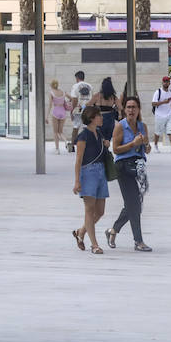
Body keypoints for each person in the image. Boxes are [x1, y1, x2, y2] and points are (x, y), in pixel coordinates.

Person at [106, 96, 152, 252]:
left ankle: (113, 230)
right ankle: (138, 241)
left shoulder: (142, 126)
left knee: (134, 205)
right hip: (123, 167)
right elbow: (115, 149)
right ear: (124, 110)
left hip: (138, 167)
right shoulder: (120, 126)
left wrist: (145, 146)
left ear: (138, 109)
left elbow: (147, 147)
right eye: (128, 107)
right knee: (134, 205)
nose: (131, 110)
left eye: (134, 107)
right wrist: (133, 144)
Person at [71, 105, 108, 254]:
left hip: (101, 172)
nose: (101, 117)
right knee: (89, 209)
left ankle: (81, 232)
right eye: (99, 115)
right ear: (92, 118)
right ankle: (94, 245)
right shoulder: (83, 136)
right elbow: (78, 160)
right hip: (88, 173)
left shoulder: (99, 132)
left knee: (100, 211)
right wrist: (77, 181)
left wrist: (106, 144)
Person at [67, 70, 93, 150]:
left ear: (77, 78)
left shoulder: (75, 86)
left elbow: (74, 100)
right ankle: (88, 144)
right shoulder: (90, 86)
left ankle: (72, 145)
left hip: (78, 109)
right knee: (87, 127)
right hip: (88, 110)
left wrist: (71, 111)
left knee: (76, 127)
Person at [151, 77, 171, 152]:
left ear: (169, 83)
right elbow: (153, 103)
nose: (166, 83)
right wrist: (163, 102)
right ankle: (155, 146)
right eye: (164, 81)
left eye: (167, 81)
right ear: (162, 82)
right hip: (159, 115)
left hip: (169, 115)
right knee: (157, 132)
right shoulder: (158, 92)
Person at [48, 79, 71, 154]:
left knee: (55, 132)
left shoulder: (51, 93)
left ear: (51, 85)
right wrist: (68, 102)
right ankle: (66, 141)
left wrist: (46, 116)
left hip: (56, 112)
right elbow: (71, 98)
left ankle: (57, 149)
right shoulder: (63, 92)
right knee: (60, 131)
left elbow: (50, 105)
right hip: (63, 112)